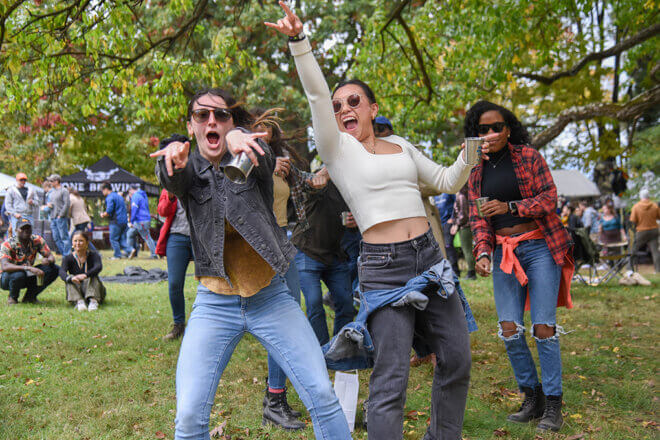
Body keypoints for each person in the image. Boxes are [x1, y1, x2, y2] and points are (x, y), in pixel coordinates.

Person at [266, 4, 480, 438]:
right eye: (340, 104)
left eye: (354, 101)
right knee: (391, 379)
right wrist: (299, 43)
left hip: (431, 261)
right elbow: (316, 97)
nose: (345, 107)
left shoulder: (400, 144)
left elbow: (443, 180)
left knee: (456, 359)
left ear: (372, 108)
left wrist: (473, 150)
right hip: (384, 267)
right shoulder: (338, 151)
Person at [151, 87, 350, 439]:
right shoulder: (189, 169)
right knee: (188, 416)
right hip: (214, 304)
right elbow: (173, 177)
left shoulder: (253, 159)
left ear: (231, 122)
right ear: (191, 125)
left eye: (222, 115)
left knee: (321, 395)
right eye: (202, 115)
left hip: (270, 298)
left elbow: (264, 161)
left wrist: (242, 138)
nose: (212, 120)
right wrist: (169, 158)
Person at [466, 100, 573, 432]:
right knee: (509, 329)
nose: (490, 134)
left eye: (497, 127)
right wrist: (482, 251)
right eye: (483, 129)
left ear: (508, 129)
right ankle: (532, 396)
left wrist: (510, 205)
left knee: (543, 327)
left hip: (539, 246)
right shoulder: (474, 169)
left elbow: (548, 197)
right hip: (503, 252)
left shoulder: (528, 156)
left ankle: (553, 404)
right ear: (475, 133)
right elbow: (478, 218)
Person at [290, 167, 355, 345]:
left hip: (334, 253)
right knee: (313, 302)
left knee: (346, 302)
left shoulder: (353, 187)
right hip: (307, 250)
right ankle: (322, 351)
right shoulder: (321, 178)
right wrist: (325, 172)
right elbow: (312, 184)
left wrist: (354, 223)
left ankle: (339, 350)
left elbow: (357, 218)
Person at [156, 188, 194, 340]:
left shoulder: (205, 175)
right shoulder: (171, 183)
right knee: (174, 283)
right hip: (177, 237)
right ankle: (179, 325)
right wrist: (170, 197)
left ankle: (210, 323)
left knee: (209, 282)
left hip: (201, 236)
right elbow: (162, 212)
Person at [1, 218, 59, 305]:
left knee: (54, 269)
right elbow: (5, 266)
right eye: (22, 228)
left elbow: (51, 256)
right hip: (7, 278)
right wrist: (28, 268)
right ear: (16, 230)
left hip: (26, 275)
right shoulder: (8, 244)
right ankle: (12, 298)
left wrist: (48, 260)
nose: (26, 231)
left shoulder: (37, 240)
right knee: (19, 274)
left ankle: (29, 297)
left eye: (28, 228)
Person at [59, 230, 106, 311]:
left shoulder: (94, 255)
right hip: (77, 288)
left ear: (87, 243)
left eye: (81, 241)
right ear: (72, 243)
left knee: (93, 276)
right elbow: (62, 272)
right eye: (75, 241)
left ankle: (93, 301)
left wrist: (85, 275)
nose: (78, 243)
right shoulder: (67, 258)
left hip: (94, 289)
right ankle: (79, 302)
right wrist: (71, 278)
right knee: (69, 279)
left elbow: (98, 267)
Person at [623, 189, 659, 282]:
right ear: (648, 196)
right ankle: (658, 270)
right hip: (654, 230)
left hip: (642, 231)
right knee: (655, 251)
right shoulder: (654, 206)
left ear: (640, 196)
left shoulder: (636, 207)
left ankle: (629, 269)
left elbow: (633, 221)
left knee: (632, 249)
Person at [452, 184, 477, 279]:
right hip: (469, 225)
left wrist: (456, 224)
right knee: (469, 250)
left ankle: (471, 273)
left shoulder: (461, 196)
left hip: (465, 226)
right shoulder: (467, 195)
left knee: (467, 250)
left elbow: (462, 215)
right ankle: (472, 271)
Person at [100, 182, 130, 259]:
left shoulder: (110, 197)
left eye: (102, 190)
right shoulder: (119, 196)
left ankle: (117, 255)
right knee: (121, 239)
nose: (102, 192)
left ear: (106, 189)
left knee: (113, 239)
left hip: (116, 221)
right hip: (124, 221)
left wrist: (103, 214)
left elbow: (109, 210)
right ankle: (130, 250)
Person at [126, 184, 157, 259]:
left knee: (147, 237)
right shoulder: (143, 195)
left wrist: (131, 221)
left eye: (129, 192)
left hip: (141, 221)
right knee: (130, 233)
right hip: (144, 220)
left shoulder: (135, 196)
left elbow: (134, 209)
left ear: (131, 190)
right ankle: (132, 251)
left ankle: (154, 254)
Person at [46, 174, 72, 256]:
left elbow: (67, 204)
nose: (50, 183)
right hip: (53, 217)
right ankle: (64, 254)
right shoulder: (52, 192)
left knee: (64, 237)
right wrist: (49, 205)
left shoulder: (64, 191)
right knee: (56, 238)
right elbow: (52, 203)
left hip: (61, 218)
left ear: (56, 181)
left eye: (51, 181)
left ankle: (67, 255)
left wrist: (61, 215)